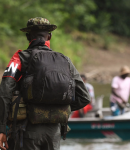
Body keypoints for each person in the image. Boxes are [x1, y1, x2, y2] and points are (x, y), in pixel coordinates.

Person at [0, 17, 90, 150]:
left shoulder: (19, 58)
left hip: (25, 131)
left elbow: (4, 92)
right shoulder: (65, 60)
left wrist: (2, 129)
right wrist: (58, 110)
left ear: (28, 36)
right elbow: (84, 97)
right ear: (50, 36)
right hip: (54, 134)